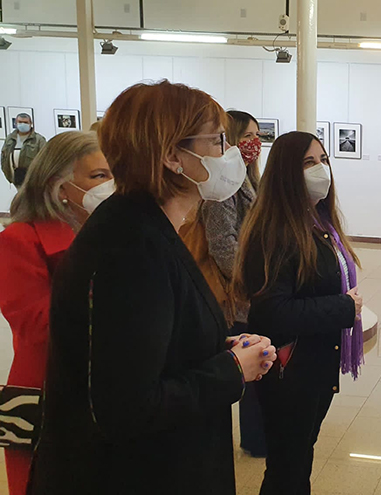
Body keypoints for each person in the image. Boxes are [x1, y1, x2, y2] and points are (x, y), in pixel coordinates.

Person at [29, 80, 277, 494]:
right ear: (171, 156)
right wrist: (231, 370)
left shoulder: (145, 229)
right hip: (132, 473)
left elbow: (152, 351)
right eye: (217, 141)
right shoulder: (131, 247)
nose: (229, 153)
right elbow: (128, 406)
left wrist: (221, 349)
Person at [236, 131, 363, 494]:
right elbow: (273, 312)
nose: (321, 169)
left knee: (297, 460)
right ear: (286, 172)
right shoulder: (274, 231)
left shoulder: (318, 223)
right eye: (309, 162)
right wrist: (344, 307)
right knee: (287, 469)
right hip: (289, 373)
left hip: (314, 367)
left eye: (323, 160)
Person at [0, 131, 113, 495]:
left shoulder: (108, 234)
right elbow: (37, 325)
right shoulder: (19, 239)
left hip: (106, 389)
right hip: (44, 396)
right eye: (98, 176)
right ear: (60, 186)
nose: (111, 185)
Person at [182, 109, 266, 457]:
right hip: (235, 295)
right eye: (246, 137)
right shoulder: (223, 189)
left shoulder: (247, 180)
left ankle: (256, 437)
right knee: (246, 363)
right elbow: (222, 244)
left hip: (245, 290)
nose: (253, 144)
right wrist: (252, 283)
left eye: (257, 136)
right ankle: (255, 438)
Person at [2, 113, 47, 188]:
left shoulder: (38, 139)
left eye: (26, 122)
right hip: (16, 175)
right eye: (20, 122)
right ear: (15, 123)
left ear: (31, 124)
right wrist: (8, 174)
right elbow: (4, 156)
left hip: (32, 177)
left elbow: (45, 159)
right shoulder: (10, 138)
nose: (22, 124)